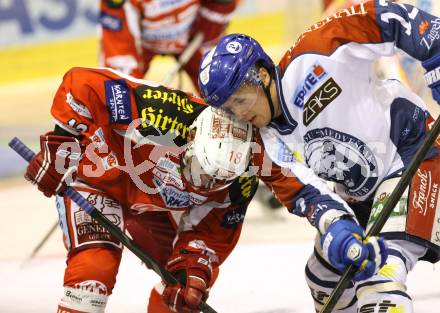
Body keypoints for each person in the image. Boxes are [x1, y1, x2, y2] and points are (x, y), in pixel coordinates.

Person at [198, 0, 440, 311]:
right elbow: (309, 195)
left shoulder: (315, 51)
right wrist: (338, 227)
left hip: (413, 153)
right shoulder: (264, 144)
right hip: (360, 197)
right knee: (323, 278)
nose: (240, 115)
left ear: (263, 75)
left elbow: (394, 18)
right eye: (230, 109)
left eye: (241, 100)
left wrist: (434, 51)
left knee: (381, 276)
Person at [23, 66, 258, 313]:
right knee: (93, 275)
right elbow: (80, 83)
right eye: (201, 169)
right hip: (97, 179)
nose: (205, 183)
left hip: (152, 205)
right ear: (191, 137)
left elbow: (211, 236)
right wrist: (63, 147)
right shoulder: (160, 112)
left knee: (184, 289)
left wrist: (193, 266)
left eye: (218, 180)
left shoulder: (242, 182)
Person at [99, 0, 238, 92]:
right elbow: (120, 58)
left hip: (193, 36)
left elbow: (218, 10)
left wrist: (208, 30)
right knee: (119, 92)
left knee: (225, 86)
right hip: (142, 44)